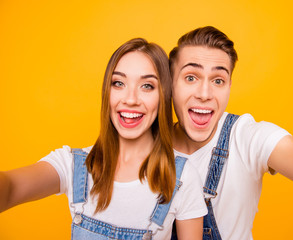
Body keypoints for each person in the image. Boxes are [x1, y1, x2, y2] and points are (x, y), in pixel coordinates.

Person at [0, 38, 207, 240]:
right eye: (119, 83)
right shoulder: (73, 165)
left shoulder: (181, 178)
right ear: (107, 92)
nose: (130, 99)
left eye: (147, 86)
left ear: (163, 96)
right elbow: (10, 189)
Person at [169, 26, 293, 240]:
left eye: (218, 80)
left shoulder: (246, 138)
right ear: (170, 84)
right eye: (191, 78)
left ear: (229, 86)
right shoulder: (144, 146)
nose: (205, 94)